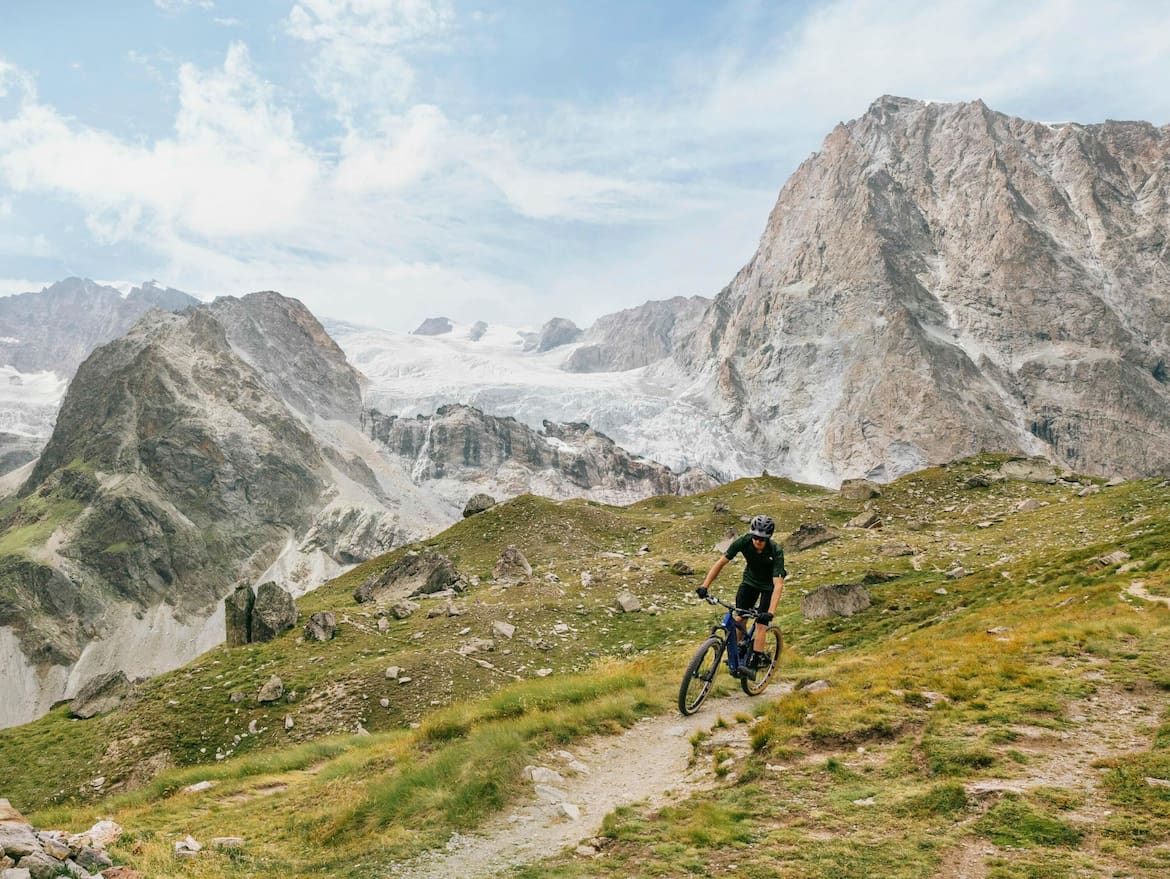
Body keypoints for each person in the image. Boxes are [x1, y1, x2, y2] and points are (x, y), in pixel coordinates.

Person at [695, 514, 786, 677]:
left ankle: (755, 661)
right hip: (749, 582)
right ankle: (739, 652)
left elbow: (778, 584)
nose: (758, 541)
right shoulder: (744, 541)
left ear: (768, 538)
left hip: (768, 587)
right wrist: (704, 586)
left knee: (761, 624)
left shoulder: (776, 551)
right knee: (739, 618)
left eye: (762, 539)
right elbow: (721, 562)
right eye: (755, 537)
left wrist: (770, 612)